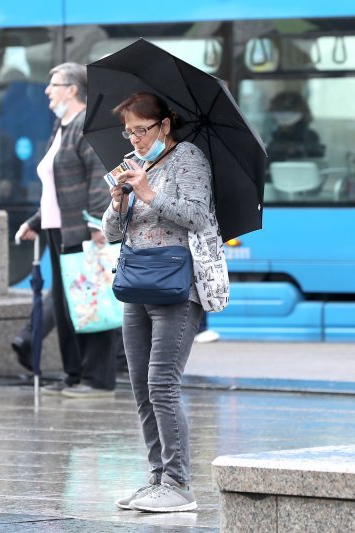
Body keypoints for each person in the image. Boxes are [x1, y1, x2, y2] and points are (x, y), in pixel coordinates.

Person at [102, 92, 209, 513]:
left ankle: (180, 484)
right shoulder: (133, 164)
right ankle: (157, 479)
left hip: (177, 286)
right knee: (141, 387)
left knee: (162, 383)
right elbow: (112, 232)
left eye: (141, 130)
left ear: (165, 124)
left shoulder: (189, 159)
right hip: (136, 282)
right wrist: (118, 202)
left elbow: (199, 216)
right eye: (128, 131)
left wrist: (148, 193)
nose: (134, 139)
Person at [14, 62, 118, 398]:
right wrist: (34, 222)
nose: (47, 90)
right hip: (58, 229)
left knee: (89, 300)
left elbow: (99, 178)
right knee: (65, 304)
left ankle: (97, 379)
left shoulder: (86, 127)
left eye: (53, 84)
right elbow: (54, 188)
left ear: (72, 89)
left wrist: (96, 225)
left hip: (81, 229)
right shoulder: (62, 127)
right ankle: (74, 374)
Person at [266, 91, 325, 164]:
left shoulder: (310, 137)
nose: (282, 117)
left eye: (287, 112)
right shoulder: (277, 135)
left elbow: (316, 161)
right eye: (279, 113)